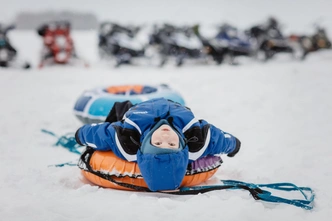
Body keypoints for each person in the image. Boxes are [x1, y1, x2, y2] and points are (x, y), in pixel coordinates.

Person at [75, 98, 241, 191]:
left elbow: (98, 134)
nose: (165, 134)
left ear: (145, 144)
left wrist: (80, 135)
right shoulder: (198, 139)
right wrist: (234, 146)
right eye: (171, 143)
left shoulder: (126, 139)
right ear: (183, 146)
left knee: (119, 112)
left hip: (141, 109)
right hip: (177, 108)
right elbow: (221, 140)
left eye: (158, 142)